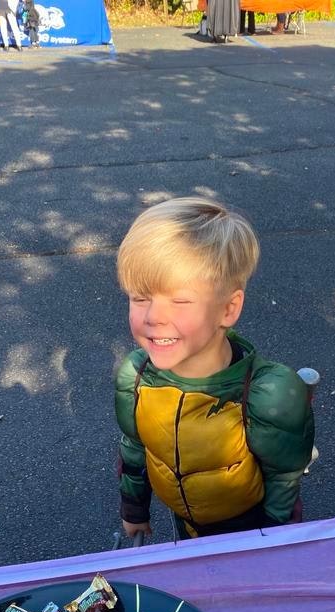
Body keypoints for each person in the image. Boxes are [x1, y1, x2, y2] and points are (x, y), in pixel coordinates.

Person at [114, 197, 315, 540]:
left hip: (248, 529)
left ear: (228, 309)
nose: (153, 317)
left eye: (180, 300)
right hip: (183, 519)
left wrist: (272, 542)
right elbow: (134, 447)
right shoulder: (135, 377)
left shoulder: (269, 394)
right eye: (140, 297)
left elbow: (284, 478)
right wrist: (134, 509)